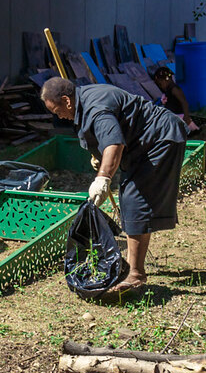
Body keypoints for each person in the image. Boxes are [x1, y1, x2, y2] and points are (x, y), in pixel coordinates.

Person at [41, 77, 187, 293]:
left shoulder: (95, 107)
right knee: (132, 196)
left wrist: (103, 178)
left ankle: (135, 274)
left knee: (133, 197)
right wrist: (99, 155)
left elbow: (114, 143)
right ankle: (133, 263)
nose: (58, 116)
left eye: (57, 110)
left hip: (159, 138)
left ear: (66, 100)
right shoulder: (84, 100)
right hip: (148, 142)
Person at [148, 67, 199, 133]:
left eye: (160, 84)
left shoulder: (174, 89)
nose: (160, 86)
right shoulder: (168, 90)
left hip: (180, 117)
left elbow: (184, 103)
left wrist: (186, 118)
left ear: (165, 80)